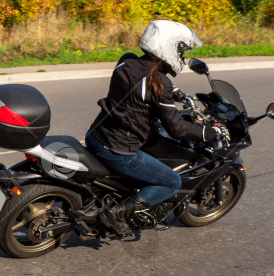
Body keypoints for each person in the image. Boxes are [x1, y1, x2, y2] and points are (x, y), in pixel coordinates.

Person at [85, 19, 221, 237]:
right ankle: (117, 212)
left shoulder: (126, 61)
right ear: (168, 46)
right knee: (172, 182)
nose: (182, 57)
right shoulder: (160, 85)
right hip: (119, 151)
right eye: (181, 50)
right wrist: (209, 132)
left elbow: (143, 79)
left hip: (95, 135)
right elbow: (177, 129)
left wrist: (175, 92)